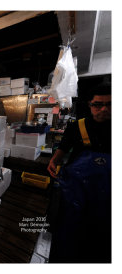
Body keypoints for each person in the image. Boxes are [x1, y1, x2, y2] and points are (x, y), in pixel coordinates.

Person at [47, 82, 111, 263]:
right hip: (76, 196)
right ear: (90, 105)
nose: (104, 109)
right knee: (70, 236)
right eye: (98, 105)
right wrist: (53, 162)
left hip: (109, 201)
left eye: (110, 104)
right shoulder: (78, 126)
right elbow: (62, 150)